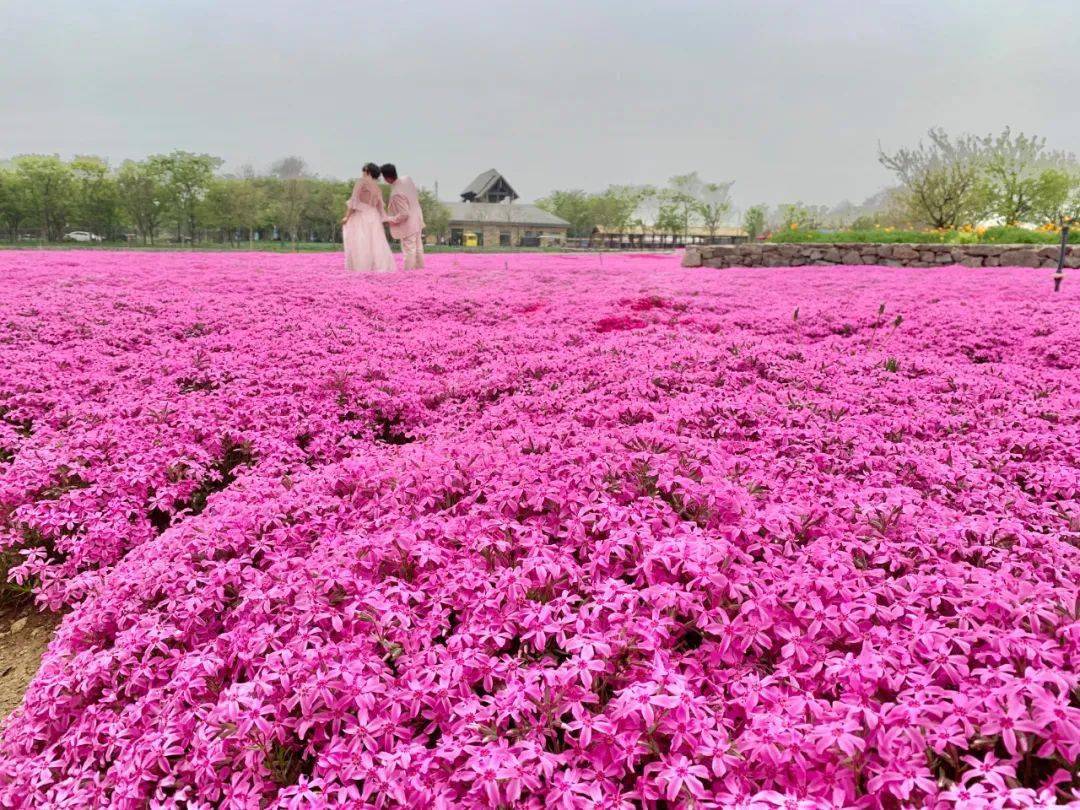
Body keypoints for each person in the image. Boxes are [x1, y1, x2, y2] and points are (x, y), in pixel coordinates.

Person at [341, 163, 395, 272]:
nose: (362, 172)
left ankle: (361, 267)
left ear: (367, 171)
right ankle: (377, 267)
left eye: (364, 170)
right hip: (373, 216)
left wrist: (347, 216)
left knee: (361, 241)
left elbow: (354, 201)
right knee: (375, 242)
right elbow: (380, 207)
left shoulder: (361, 181)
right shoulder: (377, 187)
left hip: (362, 214)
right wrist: (385, 219)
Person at [380, 163, 425, 270]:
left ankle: (408, 274)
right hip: (417, 219)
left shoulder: (396, 193)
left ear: (387, 178)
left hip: (409, 225)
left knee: (409, 249)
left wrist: (388, 219)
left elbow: (404, 214)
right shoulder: (407, 179)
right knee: (418, 247)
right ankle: (420, 271)